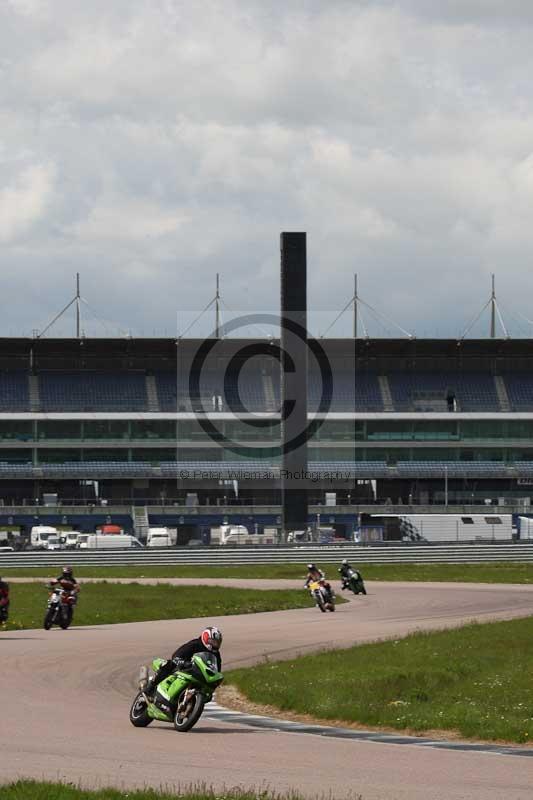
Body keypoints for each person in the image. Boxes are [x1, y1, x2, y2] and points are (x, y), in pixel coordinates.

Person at [144, 626, 223, 696]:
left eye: (217, 643)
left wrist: (216, 679)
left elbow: (217, 670)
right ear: (206, 637)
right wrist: (182, 662)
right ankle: (150, 687)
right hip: (184, 667)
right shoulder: (195, 644)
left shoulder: (216, 655)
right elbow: (177, 655)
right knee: (168, 664)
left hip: (198, 675)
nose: (215, 644)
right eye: (213, 641)